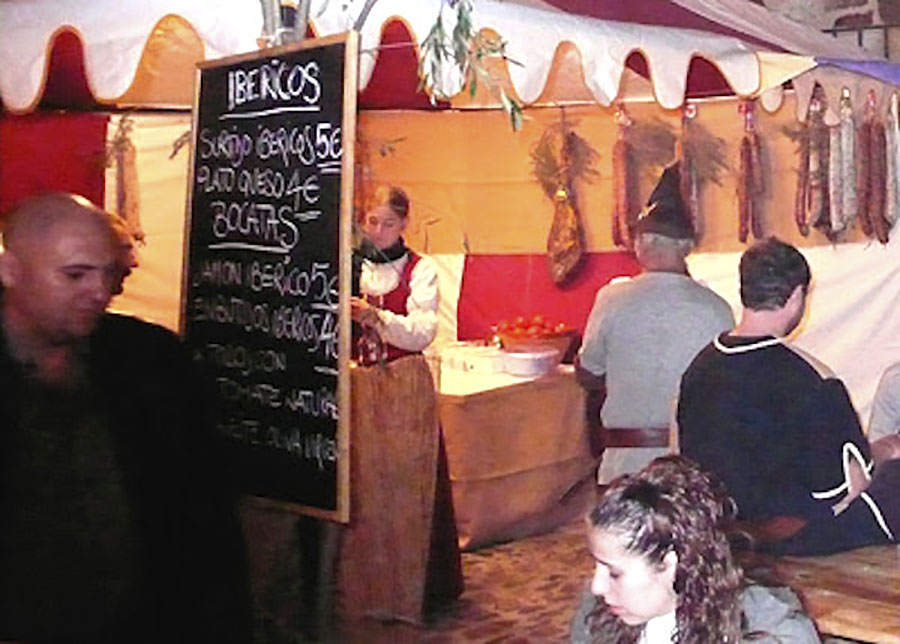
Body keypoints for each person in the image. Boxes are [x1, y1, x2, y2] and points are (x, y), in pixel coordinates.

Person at [0, 193, 251, 643]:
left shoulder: (152, 363)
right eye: (75, 275)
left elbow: (205, 516)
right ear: (10, 270)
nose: (99, 292)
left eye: (109, 273)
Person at [677, 237, 900, 556]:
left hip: (717, 534)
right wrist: (886, 449)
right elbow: (848, 489)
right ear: (796, 296)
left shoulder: (697, 369)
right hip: (793, 544)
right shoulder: (813, 380)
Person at [577, 162, 734, 483]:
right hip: (688, 468)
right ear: (687, 247)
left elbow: (588, 372)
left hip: (624, 466)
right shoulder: (716, 308)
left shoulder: (611, 299)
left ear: (639, 245)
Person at [570, 455, 820, 644]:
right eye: (597, 566)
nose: (597, 587)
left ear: (670, 564)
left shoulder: (774, 634)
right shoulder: (598, 617)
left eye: (614, 573)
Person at [351, 184, 438, 365]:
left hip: (402, 375)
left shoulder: (420, 269)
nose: (378, 232)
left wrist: (377, 318)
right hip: (353, 376)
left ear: (403, 224)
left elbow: (423, 333)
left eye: (388, 224)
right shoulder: (348, 266)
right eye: (372, 222)